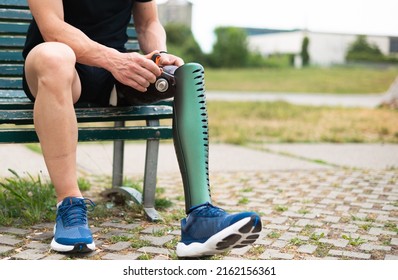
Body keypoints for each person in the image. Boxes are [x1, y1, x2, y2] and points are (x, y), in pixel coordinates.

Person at [22, 0, 262, 258]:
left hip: (116, 71)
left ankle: (200, 215)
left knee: (185, 74)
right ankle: (69, 205)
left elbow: (148, 23)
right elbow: (53, 28)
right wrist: (115, 60)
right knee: (54, 56)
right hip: (58, 66)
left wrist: (160, 55)